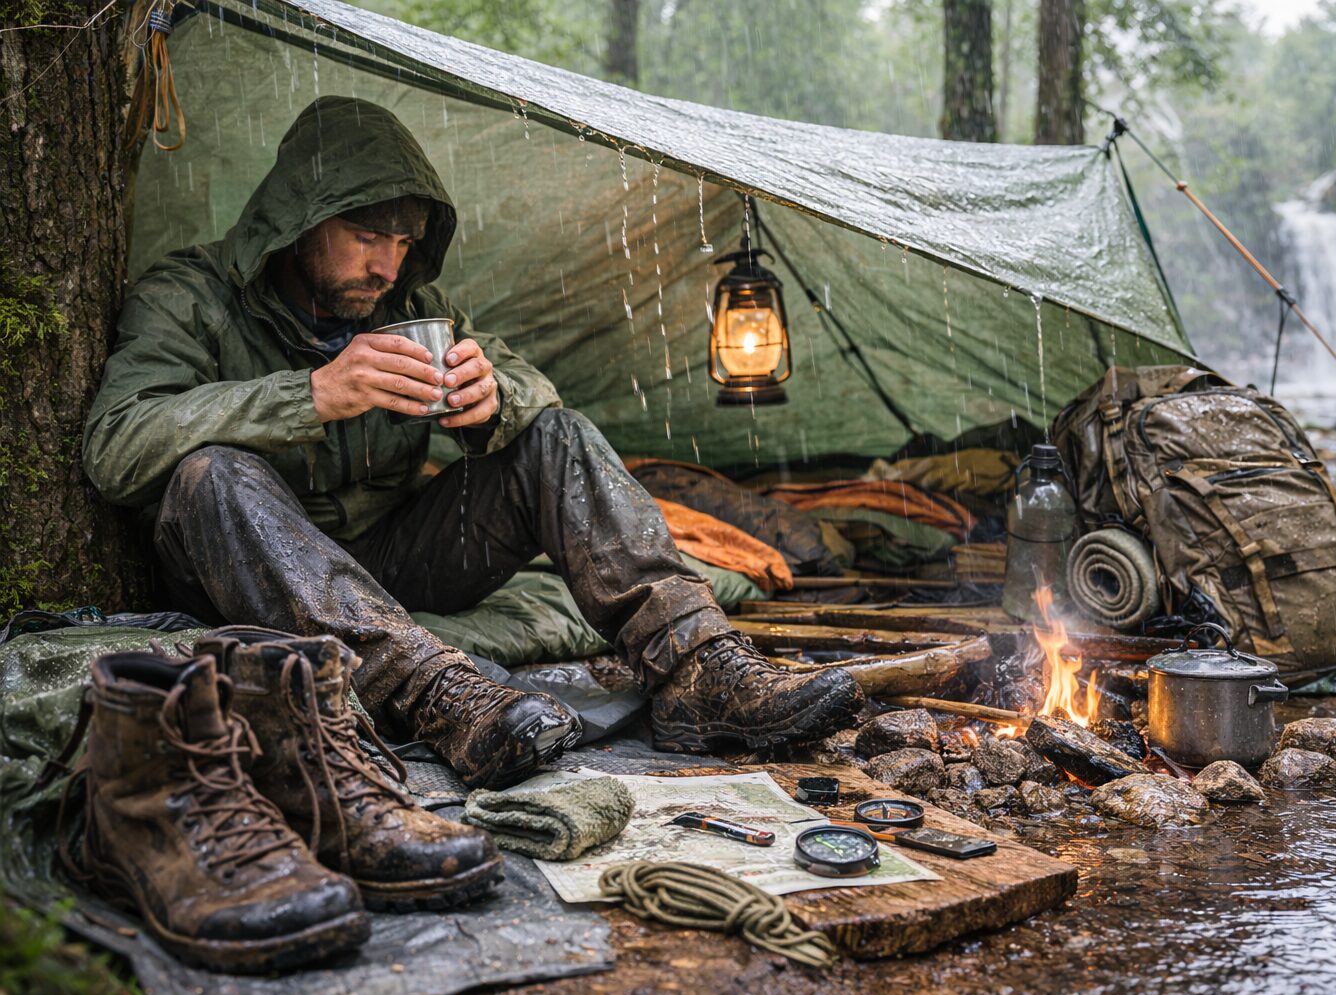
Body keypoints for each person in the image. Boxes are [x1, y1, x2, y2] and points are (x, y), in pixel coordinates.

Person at [83, 95, 861, 790]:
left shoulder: (411, 302)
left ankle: (701, 670)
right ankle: (434, 695)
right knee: (212, 474)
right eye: (363, 235)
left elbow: (534, 392)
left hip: (391, 557)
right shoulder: (190, 297)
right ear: (296, 220)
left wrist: (495, 398)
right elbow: (115, 443)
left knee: (551, 433)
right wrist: (311, 394)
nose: (385, 263)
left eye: (402, 241)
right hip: (245, 571)